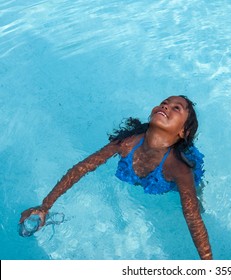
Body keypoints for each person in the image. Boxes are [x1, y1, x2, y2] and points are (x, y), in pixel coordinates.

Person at [19, 95, 213, 260]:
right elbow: (82, 168)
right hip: (143, 164)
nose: (165, 106)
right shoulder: (127, 142)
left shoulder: (180, 168)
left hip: (173, 172)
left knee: (194, 203)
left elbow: (192, 218)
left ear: (183, 132)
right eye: (164, 102)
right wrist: (45, 206)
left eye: (176, 108)